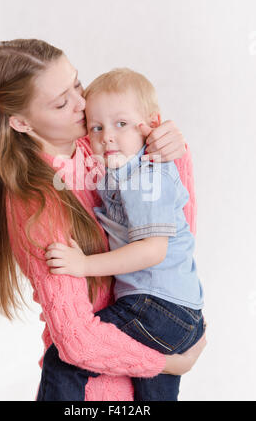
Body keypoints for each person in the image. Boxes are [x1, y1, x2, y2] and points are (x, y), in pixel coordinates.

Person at [0, 39, 206, 402]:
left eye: (77, 85)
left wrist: (169, 149)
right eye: (61, 102)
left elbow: (173, 229)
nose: (82, 104)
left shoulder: (95, 143)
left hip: (147, 338)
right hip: (94, 392)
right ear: (21, 122)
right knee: (61, 360)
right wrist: (170, 363)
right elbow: (76, 342)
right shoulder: (38, 206)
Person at [44, 68, 205, 401]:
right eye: (96, 127)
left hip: (157, 306)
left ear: (150, 125)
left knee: (65, 357)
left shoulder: (146, 175)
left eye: (121, 124)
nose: (107, 138)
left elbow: (152, 251)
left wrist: (83, 265)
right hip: (177, 309)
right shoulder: (121, 168)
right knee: (151, 394)